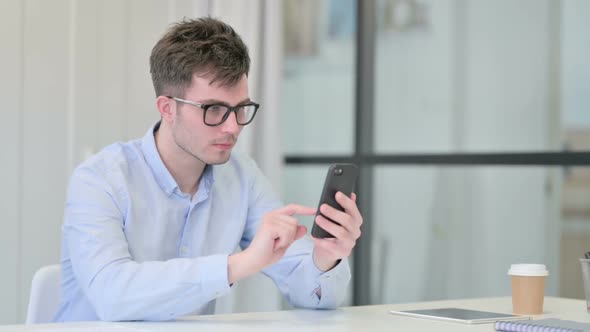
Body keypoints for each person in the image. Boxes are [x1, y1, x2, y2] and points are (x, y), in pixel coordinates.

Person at [54, 17, 363, 322]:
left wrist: (326, 257)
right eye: (213, 109)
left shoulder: (241, 176)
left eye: (241, 108)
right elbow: (113, 297)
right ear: (167, 108)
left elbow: (315, 296)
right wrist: (238, 265)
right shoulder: (99, 179)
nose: (233, 127)